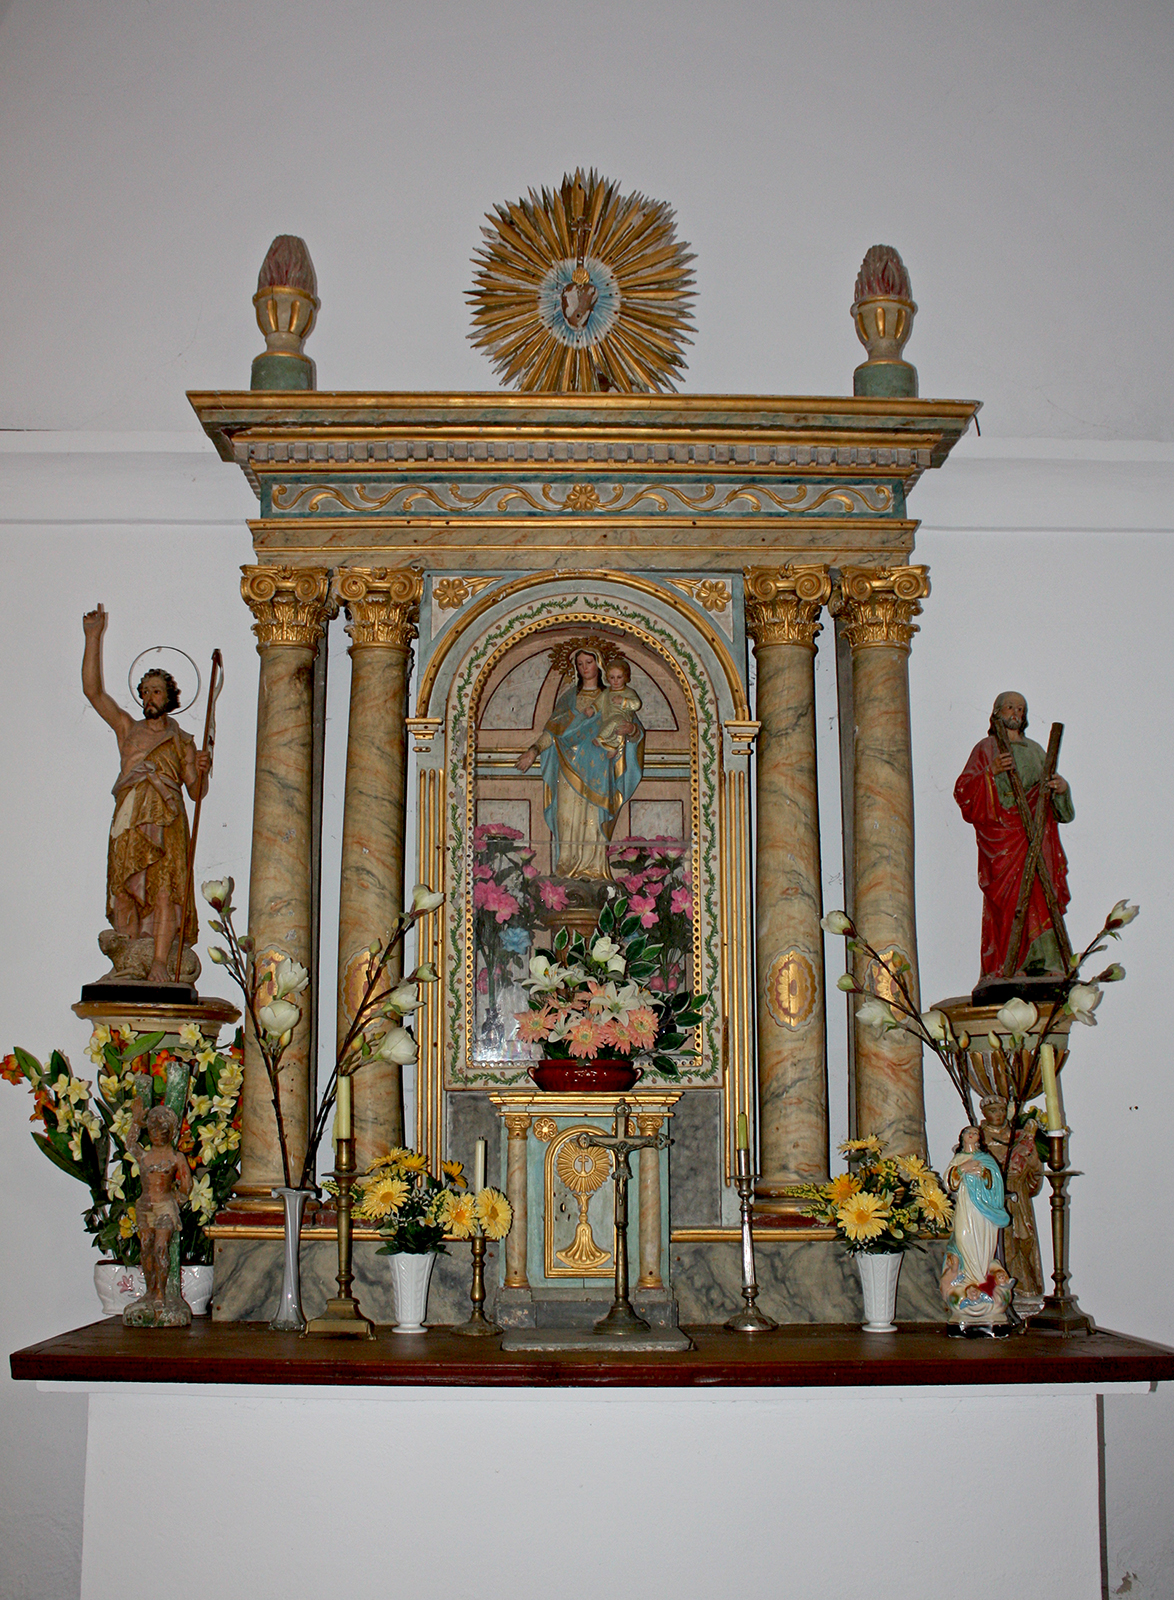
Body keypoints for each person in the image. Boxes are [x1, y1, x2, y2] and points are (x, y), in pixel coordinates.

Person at [82, 605, 210, 983]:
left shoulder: (182, 740)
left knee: (166, 889)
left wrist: (202, 768)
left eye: (156, 691)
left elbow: (196, 792)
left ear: (170, 696)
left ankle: (158, 962)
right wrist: (93, 636)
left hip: (167, 819)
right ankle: (127, 963)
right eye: (144, 691)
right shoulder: (128, 729)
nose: (149, 697)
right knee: (124, 886)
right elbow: (93, 692)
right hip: (129, 817)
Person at [954, 691, 1074, 980]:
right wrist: (991, 772)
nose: (1016, 713)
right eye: (1010, 707)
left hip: (1037, 835)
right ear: (997, 712)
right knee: (1010, 900)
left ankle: (1048, 961)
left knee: (1041, 894)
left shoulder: (1036, 750)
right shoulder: (986, 748)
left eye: (1021, 708)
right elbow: (964, 792)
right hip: (1004, 840)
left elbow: (1058, 808)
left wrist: (1060, 789)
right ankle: (1009, 964)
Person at [515, 648, 644, 880]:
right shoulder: (569, 700)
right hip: (567, 768)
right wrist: (533, 751)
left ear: (599, 665)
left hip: (599, 769)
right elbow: (552, 731)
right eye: (580, 663)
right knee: (566, 818)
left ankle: (594, 870)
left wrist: (631, 729)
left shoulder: (613, 696)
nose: (585, 668)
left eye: (589, 662)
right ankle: (566, 869)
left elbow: (634, 730)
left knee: (594, 821)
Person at [123, 1095, 194, 1327]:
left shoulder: (175, 1157)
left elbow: (186, 1184)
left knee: (161, 1249)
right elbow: (130, 1145)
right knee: (146, 1248)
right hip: (145, 1206)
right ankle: (150, 1290)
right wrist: (136, 1122)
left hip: (164, 1206)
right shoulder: (145, 1156)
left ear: (170, 1133)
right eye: (152, 1129)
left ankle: (161, 1293)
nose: (157, 1134)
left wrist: (177, 1201)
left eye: (162, 1130)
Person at [941, 1125, 1014, 1330]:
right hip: (966, 1207)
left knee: (983, 1244)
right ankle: (967, 1282)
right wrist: (963, 1168)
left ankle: (981, 1283)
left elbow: (995, 1181)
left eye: (974, 1133)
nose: (971, 1134)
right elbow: (950, 1183)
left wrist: (983, 1173)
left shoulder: (986, 1159)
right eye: (968, 1132)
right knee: (963, 1238)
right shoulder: (958, 1158)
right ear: (962, 1137)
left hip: (984, 1212)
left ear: (979, 1138)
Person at [593, 660, 643, 756]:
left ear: (625, 677)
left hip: (621, 718)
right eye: (612, 677)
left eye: (619, 677)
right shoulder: (606, 693)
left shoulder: (628, 692)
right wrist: (592, 708)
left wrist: (623, 701)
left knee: (618, 728)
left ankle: (606, 742)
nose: (615, 681)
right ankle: (610, 746)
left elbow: (636, 704)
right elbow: (598, 702)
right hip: (608, 718)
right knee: (610, 726)